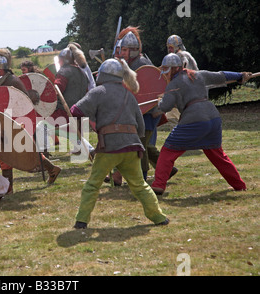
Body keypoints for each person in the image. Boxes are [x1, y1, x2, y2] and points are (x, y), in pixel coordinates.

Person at [71, 58, 169, 229]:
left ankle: (81, 221)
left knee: (93, 184)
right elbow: (141, 125)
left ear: (103, 74)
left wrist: (81, 123)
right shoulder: (128, 95)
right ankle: (159, 217)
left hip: (109, 148)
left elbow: (76, 110)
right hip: (132, 147)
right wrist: (135, 143)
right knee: (140, 185)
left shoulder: (98, 92)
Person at [151, 53, 249, 195]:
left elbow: (165, 107)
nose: (164, 72)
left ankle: (159, 184)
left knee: (168, 151)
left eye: (166, 69)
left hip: (194, 120)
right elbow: (222, 75)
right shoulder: (198, 74)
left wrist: (160, 100)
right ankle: (239, 185)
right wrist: (240, 75)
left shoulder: (173, 85)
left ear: (174, 69)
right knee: (217, 154)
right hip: (213, 117)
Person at [0, 52, 62, 190]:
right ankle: (10, 188)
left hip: (15, 122)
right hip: (0, 122)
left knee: (24, 153)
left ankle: (51, 169)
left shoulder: (13, 81)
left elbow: (25, 105)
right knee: (4, 154)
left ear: (0, 70)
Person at [111, 26, 177, 184]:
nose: (123, 53)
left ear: (133, 50)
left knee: (140, 145)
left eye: (126, 50)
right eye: (122, 49)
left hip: (149, 112)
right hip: (141, 112)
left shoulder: (141, 63)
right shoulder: (130, 64)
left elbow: (149, 89)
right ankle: (168, 170)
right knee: (145, 145)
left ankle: (142, 177)